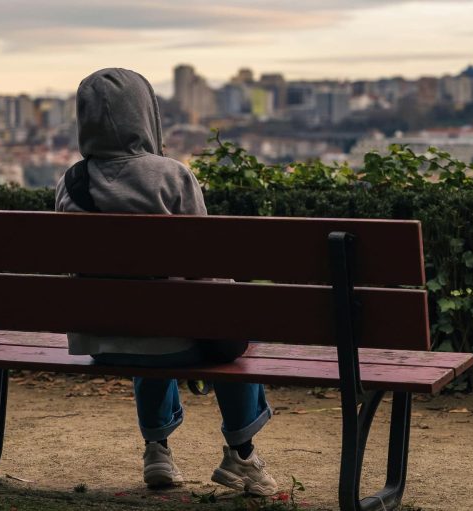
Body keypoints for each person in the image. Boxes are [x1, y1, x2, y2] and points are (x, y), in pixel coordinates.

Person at [55, 68, 277, 497]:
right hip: (165, 338)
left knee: (146, 319)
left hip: (100, 341)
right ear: (147, 114)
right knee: (212, 326)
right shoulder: (173, 176)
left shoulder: (69, 182)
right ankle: (242, 455)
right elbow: (205, 269)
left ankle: (157, 450)